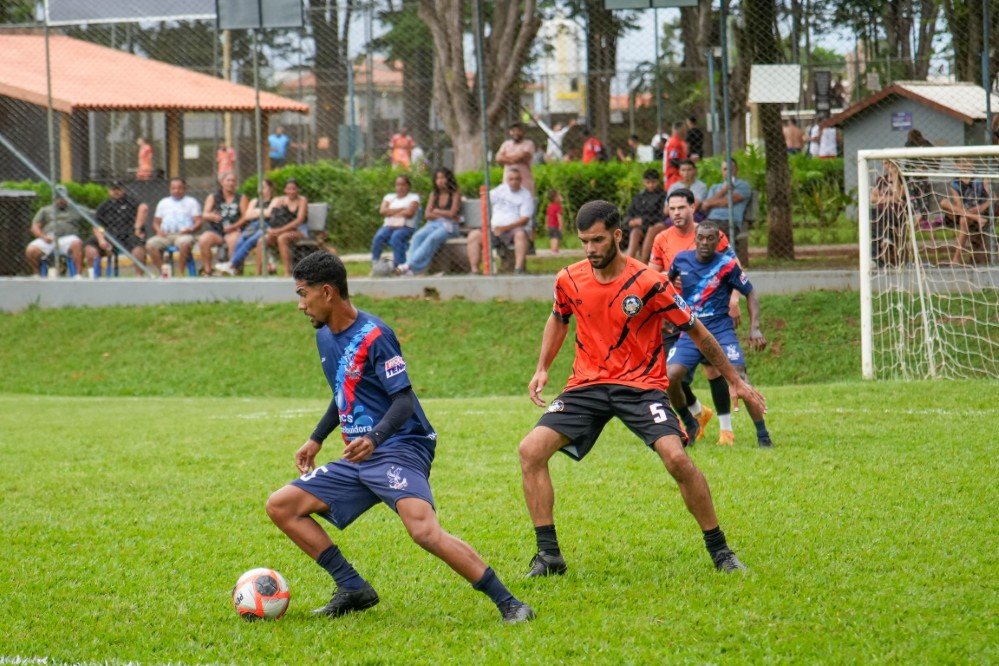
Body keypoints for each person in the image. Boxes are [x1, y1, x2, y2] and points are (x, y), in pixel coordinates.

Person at [265, 251, 535, 624]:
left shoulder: (375, 335)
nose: (300, 305)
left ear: (327, 292)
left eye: (302, 294)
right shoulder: (325, 336)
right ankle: (353, 588)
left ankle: (510, 603)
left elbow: (404, 400)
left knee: (423, 530)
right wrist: (316, 438)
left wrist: (375, 439)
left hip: (400, 447)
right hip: (359, 456)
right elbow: (345, 390)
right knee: (281, 505)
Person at [517, 200, 765, 579]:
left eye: (598, 240)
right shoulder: (569, 278)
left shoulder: (649, 282)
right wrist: (541, 368)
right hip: (587, 384)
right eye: (584, 241)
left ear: (617, 235)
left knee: (677, 459)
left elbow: (696, 330)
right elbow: (558, 319)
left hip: (641, 387)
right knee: (530, 451)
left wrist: (735, 380)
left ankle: (721, 551)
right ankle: (549, 555)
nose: (590, 249)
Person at [666, 223, 771, 448]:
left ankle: (763, 436)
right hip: (691, 331)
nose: (705, 242)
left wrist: (755, 327)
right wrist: (666, 314)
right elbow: (665, 285)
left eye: (710, 238)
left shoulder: (727, 264)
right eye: (701, 238)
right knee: (670, 377)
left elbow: (750, 292)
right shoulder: (681, 260)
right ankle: (689, 422)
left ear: (718, 240)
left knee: (740, 376)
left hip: (721, 331)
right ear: (695, 238)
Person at [649, 188, 737, 442]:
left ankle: (726, 430)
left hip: (706, 314)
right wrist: (661, 293)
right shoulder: (661, 239)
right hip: (672, 314)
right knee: (669, 375)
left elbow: (735, 267)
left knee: (713, 370)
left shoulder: (709, 234)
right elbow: (652, 276)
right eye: (672, 208)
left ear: (692, 207)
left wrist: (734, 299)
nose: (676, 213)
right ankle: (698, 413)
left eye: (681, 207)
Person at [465, 167, 535, 275]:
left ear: (521, 180)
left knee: (520, 235)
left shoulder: (525, 195)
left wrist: (504, 228)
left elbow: (524, 219)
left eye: (517, 179)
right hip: (494, 230)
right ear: (507, 180)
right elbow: (485, 200)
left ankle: (518, 269)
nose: (514, 182)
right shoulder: (499, 191)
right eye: (511, 179)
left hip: (513, 231)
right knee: (473, 236)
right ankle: (474, 270)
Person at [395, 168, 462, 276]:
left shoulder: (455, 192)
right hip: (433, 223)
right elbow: (427, 215)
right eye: (437, 178)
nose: (440, 181)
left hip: (449, 225)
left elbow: (452, 213)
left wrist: (436, 211)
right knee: (417, 236)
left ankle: (409, 265)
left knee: (432, 238)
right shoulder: (434, 194)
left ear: (448, 179)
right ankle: (411, 269)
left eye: (443, 178)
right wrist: (442, 214)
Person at [84, 181, 149, 277]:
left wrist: (137, 228)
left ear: (123, 190)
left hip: (129, 235)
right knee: (90, 247)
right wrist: (101, 239)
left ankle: (139, 277)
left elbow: (143, 208)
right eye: (113, 189)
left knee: (138, 247)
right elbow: (97, 225)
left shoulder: (131, 202)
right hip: (109, 235)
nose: (116, 192)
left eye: (118, 189)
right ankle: (94, 276)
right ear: (109, 191)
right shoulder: (104, 206)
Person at [216, 179, 276, 276]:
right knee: (241, 240)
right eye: (259, 187)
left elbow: (269, 213)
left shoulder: (275, 200)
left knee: (250, 241)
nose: (261, 190)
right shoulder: (254, 201)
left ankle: (231, 265)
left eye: (264, 187)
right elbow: (247, 216)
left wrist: (255, 212)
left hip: (267, 227)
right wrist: (262, 212)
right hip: (254, 226)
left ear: (270, 188)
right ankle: (233, 266)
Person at [25, 186, 85, 277]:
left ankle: (78, 275)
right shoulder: (45, 210)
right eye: (58, 198)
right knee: (31, 250)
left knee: (77, 243)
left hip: (67, 239)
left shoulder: (76, 209)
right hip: (49, 239)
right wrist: (44, 237)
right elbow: (35, 227)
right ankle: (37, 274)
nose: (61, 200)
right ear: (54, 198)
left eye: (63, 198)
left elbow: (95, 215)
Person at [146, 178, 202, 275]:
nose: (176, 191)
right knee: (150, 245)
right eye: (173, 188)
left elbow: (199, 222)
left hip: (183, 234)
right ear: (170, 189)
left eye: (179, 188)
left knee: (185, 244)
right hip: (165, 235)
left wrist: (191, 229)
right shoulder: (163, 202)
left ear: (185, 188)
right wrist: (158, 231)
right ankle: (164, 273)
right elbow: (156, 222)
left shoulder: (192, 202)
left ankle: (181, 273)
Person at [943, 159, 992, 266]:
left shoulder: (981, 178)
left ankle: (956, 259)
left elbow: (993, 198)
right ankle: (976, 218)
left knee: (964, 220)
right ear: (957, 165)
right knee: (944, 202)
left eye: (968, 162)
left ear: (972, 163)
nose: (966, 165)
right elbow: (959, 205)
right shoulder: (954, 183)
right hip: (965, 211)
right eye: (962, 162)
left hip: (981, 211)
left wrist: (980, 208)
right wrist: (970, 213)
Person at [200, 172, 248, 276]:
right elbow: (204, 214)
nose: (231, 183)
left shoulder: (241, 197)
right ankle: (208, 270)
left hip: (234, 229)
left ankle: (232, 269)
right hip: (217, 230)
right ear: (221, 182)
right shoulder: (213, 197)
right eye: (228, 180)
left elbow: (245, 217)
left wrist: (234, 226)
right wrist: (211, 216)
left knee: (233, 240)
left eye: (233, 181)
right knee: (204, 239)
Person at [371, 174, 420, 273]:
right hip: (389, 226)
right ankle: (375, 264)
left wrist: (391, 212)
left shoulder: (413, 197)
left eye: (403, 185)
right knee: (379, 236)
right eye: (398, 185)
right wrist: (402, 209)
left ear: (408, 186)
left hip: (406, 227)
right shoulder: (389, 197)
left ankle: (399, 267)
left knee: (396, 237)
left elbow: (409, 213)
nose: (400, 187)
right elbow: (382, 211)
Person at [262, 178, 310, 277]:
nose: (291, 191)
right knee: (263, 240)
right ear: (285, 190)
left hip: (299, 231)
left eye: (294, 189)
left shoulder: (302, 200)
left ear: (298, 190)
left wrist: (279, 230)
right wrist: (272, 230)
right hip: (284, 230)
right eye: (288, 189)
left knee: (282, 238)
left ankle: (287, 272)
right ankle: (260, 273)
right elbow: (274, 217)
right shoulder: (281, 200)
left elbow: (299, 220)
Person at [869, 160, 907, 267]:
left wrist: (894, 175)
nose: (887, 166)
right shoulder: (881, 180)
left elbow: (898, 196)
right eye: (885, 163)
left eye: (889, 163)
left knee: (885, 215)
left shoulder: (903, 179)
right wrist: (890, 199)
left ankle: (886, 241)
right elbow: (873, 199)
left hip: (897, 213)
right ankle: (876, 257)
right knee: (875, 215)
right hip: (881, 213)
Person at [623, 168, 667, 259]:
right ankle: (628, 261)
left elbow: (662, 216)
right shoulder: (639, 196)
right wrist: (630, 221)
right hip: (640, 227)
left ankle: (643, 261)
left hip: (654, 224)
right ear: (644, 182)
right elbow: (629, 212)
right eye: (648, 182)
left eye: (653, 182)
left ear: (658, 181)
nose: (651, 185)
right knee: (635, 233)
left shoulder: (663, 195)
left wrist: (643, 220)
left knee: (650, 230)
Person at [701, 160, 752, 237]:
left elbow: (727, 202)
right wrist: (723, 190)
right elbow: (704, 206)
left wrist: (710, 203)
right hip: (710, 220)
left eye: (731, 168)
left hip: (729, 221)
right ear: (722, 171)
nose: (728, 172)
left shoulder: (743, 185)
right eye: (725, 169)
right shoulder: (715, 187)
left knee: (709, 236)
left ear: (737, 169)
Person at [495, 123, 537, 195]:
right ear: (510, 132)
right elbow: (498, 158)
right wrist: (515, 158)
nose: (516, 133)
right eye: (513, 131)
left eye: (518, 131)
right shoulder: (506, 144)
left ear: (523, 132)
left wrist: (506, 157)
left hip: (524, 182)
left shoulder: (529, 143)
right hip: (508, 181)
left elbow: (523, 156)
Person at [663, 121, 688, 189]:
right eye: (684, 130)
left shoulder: (679, 142)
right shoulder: (674, 142)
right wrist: (688, 162)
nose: (685, 133)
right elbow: (673, 161)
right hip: (674, 177)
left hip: (677, 176)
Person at [545, 189, 564, 254]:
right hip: (556, 226)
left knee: (552, 238)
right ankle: (555, 250)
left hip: (550, 226)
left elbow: (547, 216)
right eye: (559, 195)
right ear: (555, 198)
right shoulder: (558, 207)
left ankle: (553, 249)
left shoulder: (549, 206)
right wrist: (561, 225)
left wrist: (546, 224)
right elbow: (559, 217)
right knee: (556, 237)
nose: (561, 197)